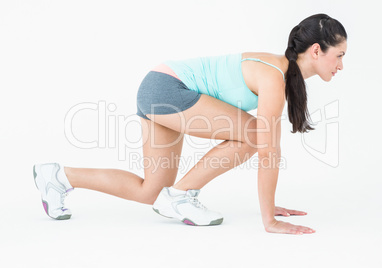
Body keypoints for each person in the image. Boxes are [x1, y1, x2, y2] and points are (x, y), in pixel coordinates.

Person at [33, 13, 347, 235]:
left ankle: (58, 176)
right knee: (255, 136)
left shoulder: (281, 74)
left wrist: (271, 205)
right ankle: (181, 196)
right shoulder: (273, 76)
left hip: (159, 87)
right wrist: (269, 220)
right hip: (167, 88)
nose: (341, 65)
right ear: (316, 50)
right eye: (339, 55)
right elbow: (267, 150)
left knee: (150, 191)